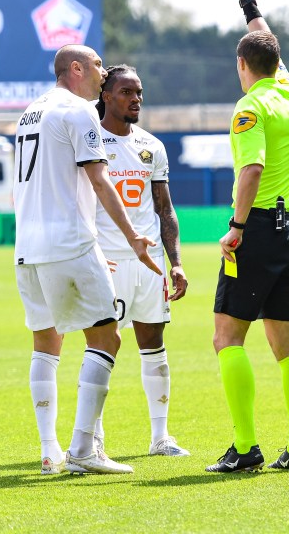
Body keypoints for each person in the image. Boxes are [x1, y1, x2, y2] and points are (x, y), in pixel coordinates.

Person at [15, 45, 161, 476]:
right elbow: (99, 179)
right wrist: (134, 235)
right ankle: (83, 448)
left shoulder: (29, 112)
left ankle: (49, 450)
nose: (102, 72)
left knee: (46, 342)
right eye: (98, 65)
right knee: (107, 338)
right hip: (70, 243)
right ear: (76, 68)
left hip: (27, 247)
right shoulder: (79, 111)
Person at [206, 0, 289, 473]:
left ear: (242, 65)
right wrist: (248, 1)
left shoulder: (249, 107)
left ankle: (246, 448)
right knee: (286, 347)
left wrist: (237, 228)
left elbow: (252, 168)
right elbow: (267, 41)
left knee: (227, 338)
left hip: (259, 232)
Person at [91, 64, 190, 457]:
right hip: (105, 260)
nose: (136, 100)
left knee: (154, 343)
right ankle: (93, 438)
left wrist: (176, 262)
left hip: (147, 265)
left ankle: (160, 437)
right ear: (106, 95)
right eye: (127, 92)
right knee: (102, 347)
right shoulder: (89, 141)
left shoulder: (152, 146)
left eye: (139, 93)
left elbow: (164, 209)